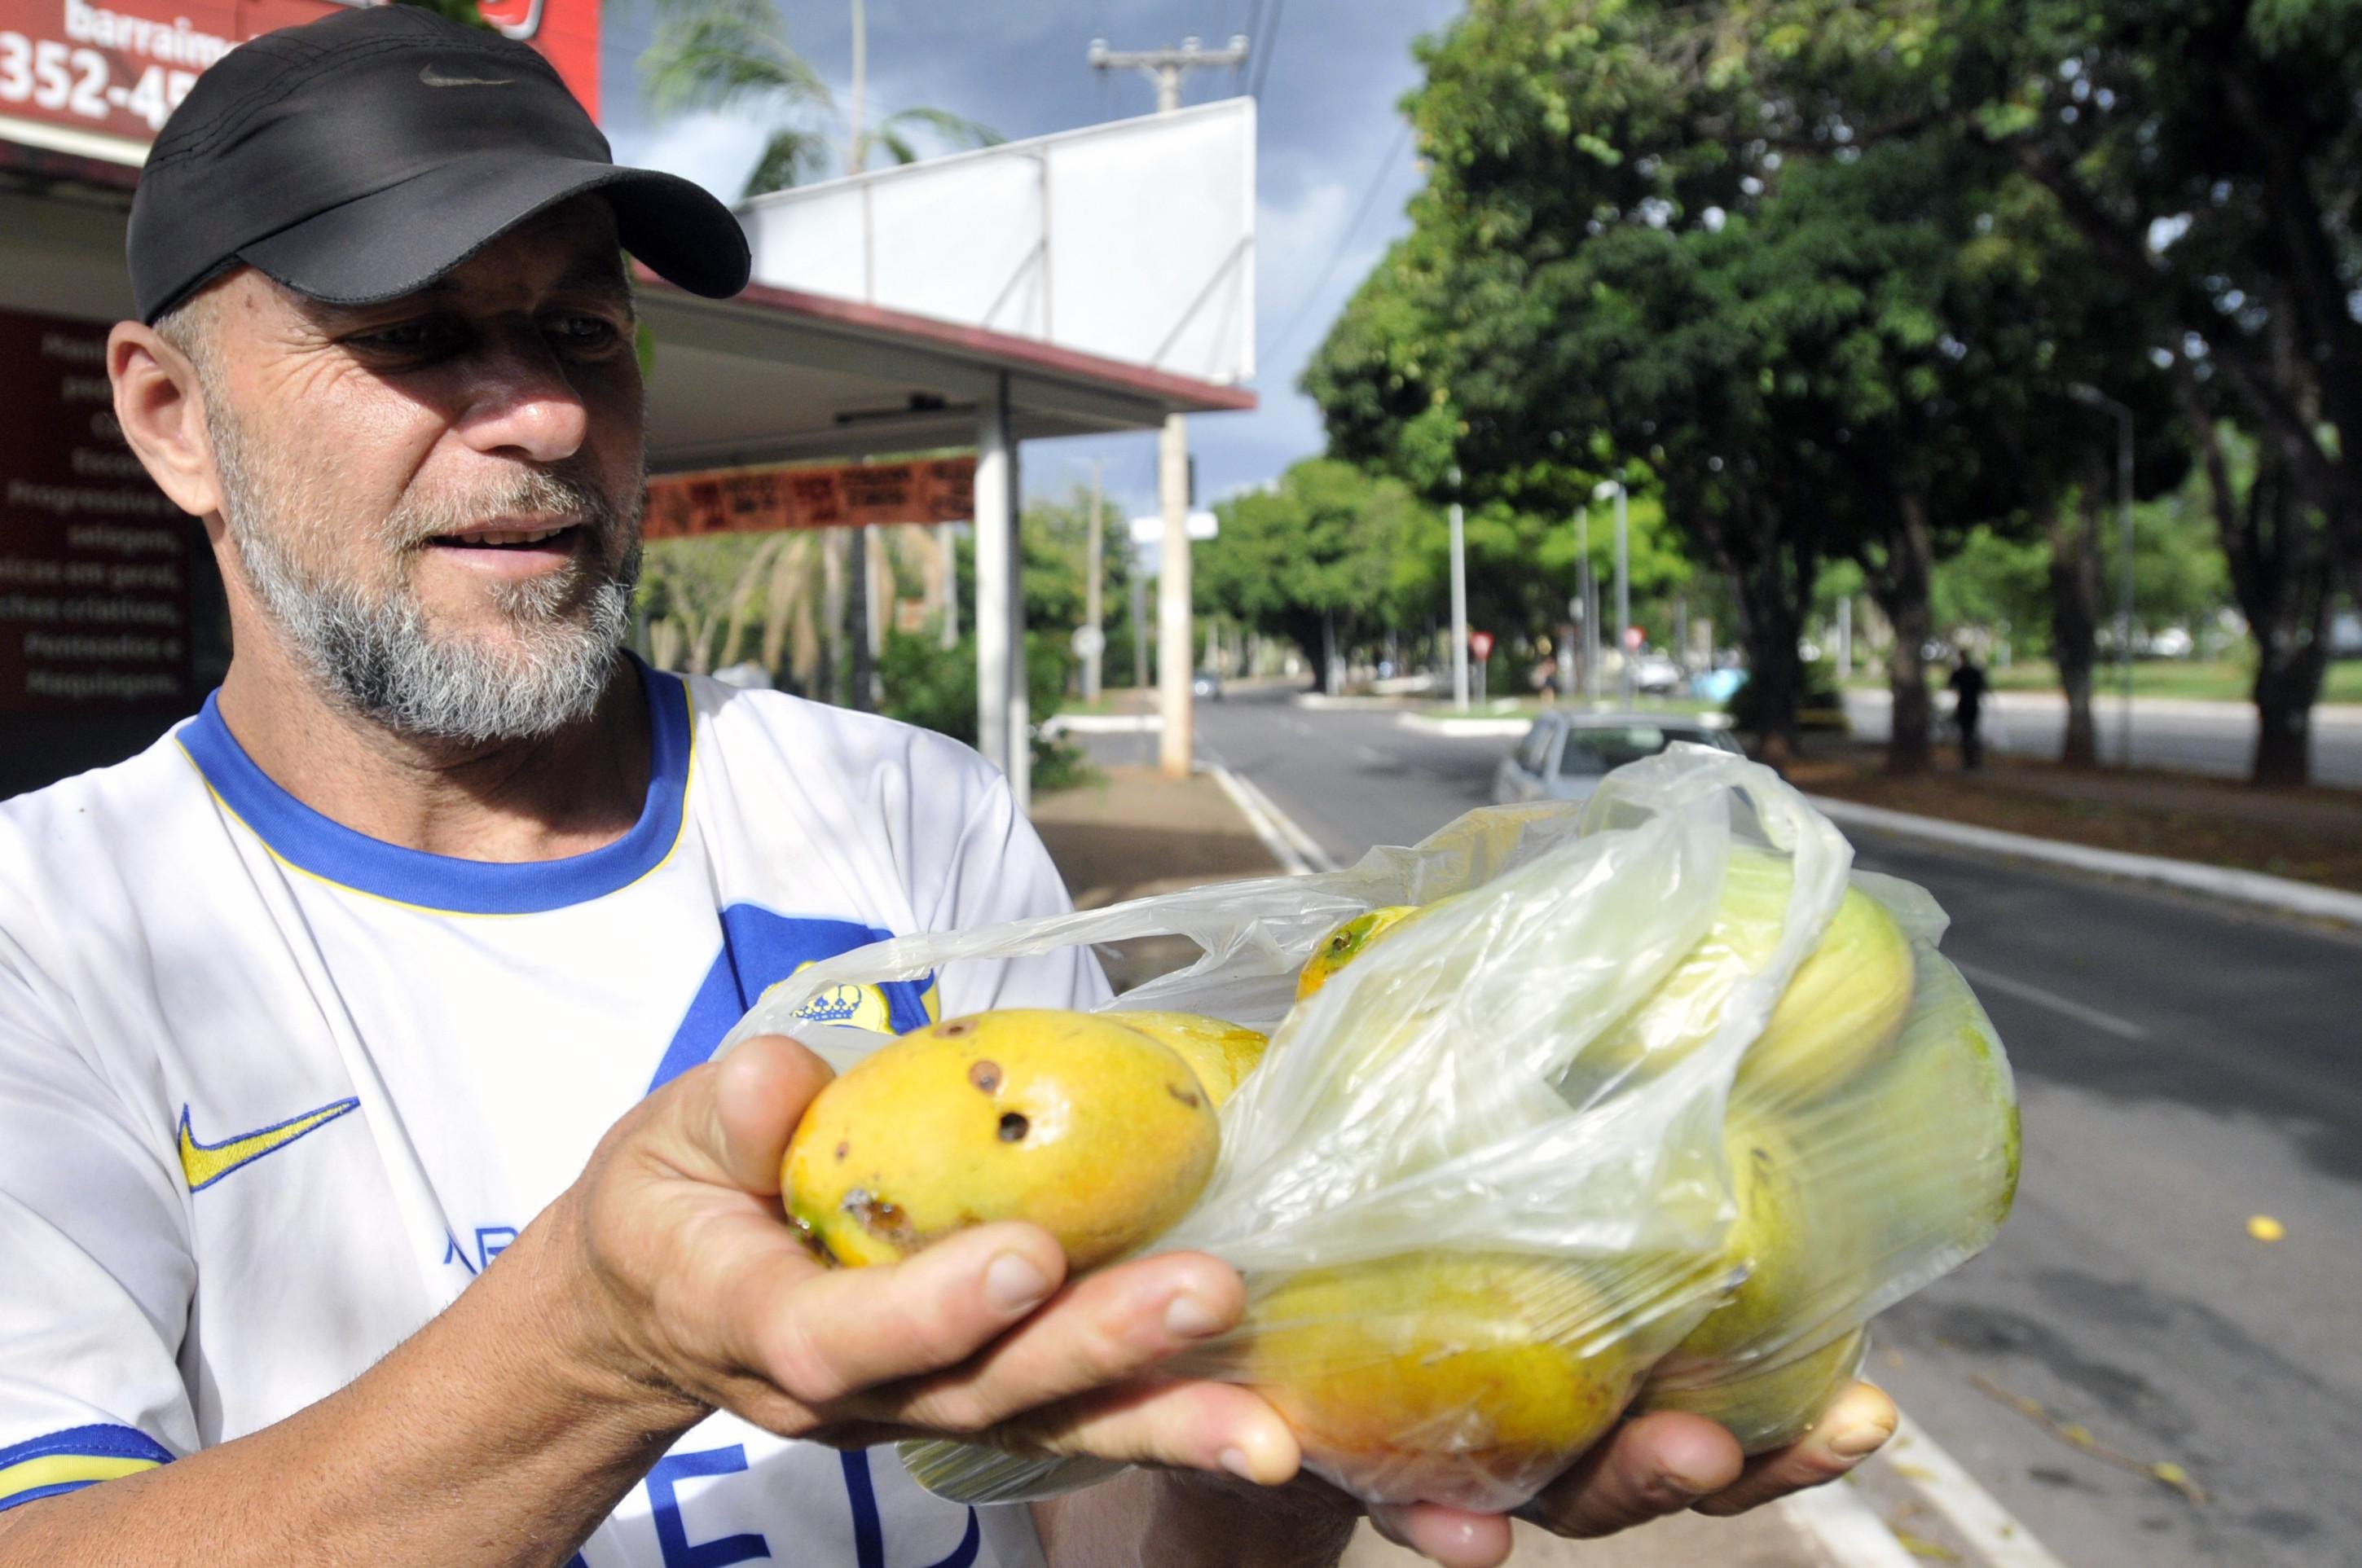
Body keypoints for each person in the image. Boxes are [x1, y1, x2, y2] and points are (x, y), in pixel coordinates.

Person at [0, 10, 1894, 1566]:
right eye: (412, 337)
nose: (547, 412)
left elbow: (1105, 1477)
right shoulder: (55, 935)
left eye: (581, 328)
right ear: (173, 416)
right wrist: (600, 1343)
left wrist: (1325, 1428)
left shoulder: (903, 815)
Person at [1949, 652, 1990, 771]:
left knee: (1965, 733)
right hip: (1974, 705)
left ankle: (1968, 759)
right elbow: (1984, 687)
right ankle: (1975, 759)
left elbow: (1950, 686)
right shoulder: (1976, 672)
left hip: (1963, 705)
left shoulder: (1958, 672)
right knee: (1973, 731)